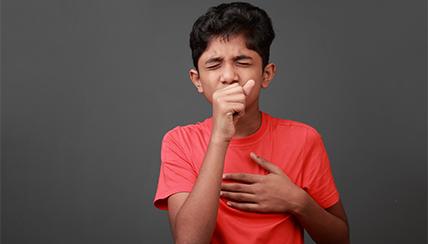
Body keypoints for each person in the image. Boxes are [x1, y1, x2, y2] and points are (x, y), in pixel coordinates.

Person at [154, 2, 350, 243]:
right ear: (197, 80)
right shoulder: (179, 142)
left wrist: (297, 201)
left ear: (266, 74)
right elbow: (189, 241)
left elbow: (340, 239)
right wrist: (219, 137)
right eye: (214, 65)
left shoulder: (304, 139)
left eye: (243, 62)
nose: (229, 77)